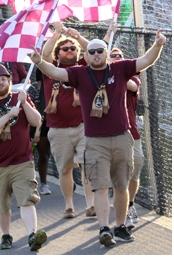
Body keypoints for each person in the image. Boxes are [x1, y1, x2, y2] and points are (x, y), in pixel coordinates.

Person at [29, 28, 166, 246]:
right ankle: (104, 228)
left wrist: (158, 45)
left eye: (99, 51)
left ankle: (120, 227)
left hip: (122, 137)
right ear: (87, 55)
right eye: (91, 52)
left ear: (105, 52)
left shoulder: (120, 68)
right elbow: (55, 73)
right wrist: (39, 61)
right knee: (100, 186)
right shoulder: (80, 73)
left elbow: (146, 61)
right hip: (94, 139)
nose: (95, 55)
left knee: (121, 186)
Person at [0, 64, 47, 251]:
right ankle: (6, 235)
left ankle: (32, 235)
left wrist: (24, 103)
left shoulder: (20, 98)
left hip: (22, 160)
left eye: (4, 78)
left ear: (10, 80)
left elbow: (36, 121)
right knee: (2, 204)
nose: (2, 82)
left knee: (27, 199)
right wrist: (9, 114)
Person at [40, 21, 94, 219]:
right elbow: (44, 55)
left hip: (83, 127)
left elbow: (96, 50)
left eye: (73, 48)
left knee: (88, 165)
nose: (70, 51)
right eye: (65, 48)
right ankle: (69, 206)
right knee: (65, 169)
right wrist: (57, 33)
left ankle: (91, 205)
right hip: (58, 129)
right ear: (58, 52)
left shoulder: (84, 67)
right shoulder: (50, 69)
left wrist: (78, 37)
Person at [107, 46, 143, 231]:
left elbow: (133, 86)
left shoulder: (130, 77)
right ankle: (122, 215)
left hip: (131, 132)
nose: (116, 58)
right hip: (109, 134)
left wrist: (118, 70)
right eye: (112, 56)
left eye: (119, 56)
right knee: (120, 173)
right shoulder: (101, 77)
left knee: (136, 166)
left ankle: (130, 203)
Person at [26, 69, 52, 198]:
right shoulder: (33, 88)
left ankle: (69, 179)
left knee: (60, 155)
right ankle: (43, 183)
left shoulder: (57, 84)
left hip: (56, 124)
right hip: (38, 127)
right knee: (42, 155)